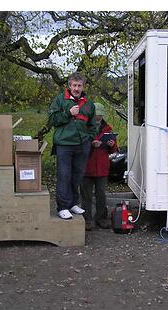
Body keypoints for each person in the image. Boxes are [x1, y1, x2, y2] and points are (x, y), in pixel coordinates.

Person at [49, 72, 96, 219]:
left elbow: (93, 125)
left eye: (79, 85)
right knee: (64, 175)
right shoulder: (60, 100)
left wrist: (89, 139)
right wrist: (68, 113)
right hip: (64, 144)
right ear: (69, 86)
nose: (76, 88)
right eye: (74, 85)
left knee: (77, 175)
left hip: (82, 145)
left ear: (83, 87)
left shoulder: (89, 104)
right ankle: (62, 206)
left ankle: (73, 203)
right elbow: (52, 120)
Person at [80, 103, 118, 231]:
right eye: (96, 116)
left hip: (102, 167)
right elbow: (79, 145)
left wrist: (112, 144)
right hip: (86, 167)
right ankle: (87, 220)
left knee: (101, 194)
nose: (98, 118)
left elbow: (113, 149)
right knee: (86, 196)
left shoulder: (108, 128)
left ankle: (101, 218)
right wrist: (91, 144)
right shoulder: (84, 127)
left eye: (100, 116)